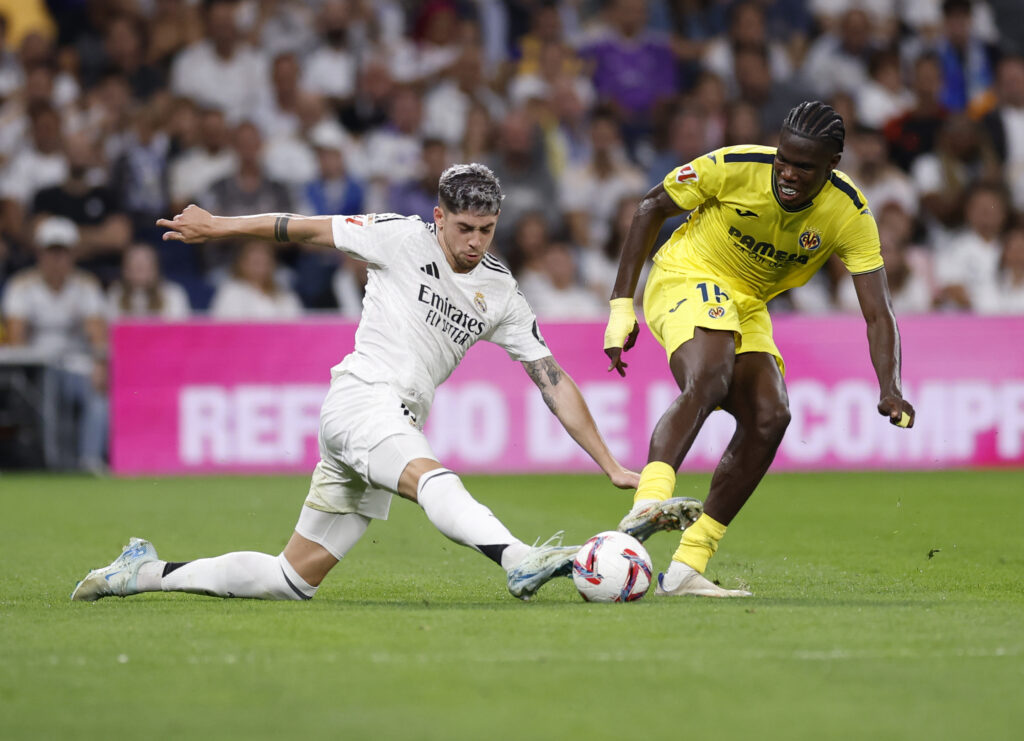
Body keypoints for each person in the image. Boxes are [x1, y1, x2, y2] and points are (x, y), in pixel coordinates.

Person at [71, 163, 639, 603]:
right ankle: (517, 558)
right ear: (439, 218)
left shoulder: (501, 293)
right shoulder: (399, 237)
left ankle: (143, 572)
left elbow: (552, 380)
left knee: (291, 578)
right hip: (362, 399)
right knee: (431, 477)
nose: (474, 242)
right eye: (464, 228)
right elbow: (299, 228)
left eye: (486, 231)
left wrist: (610, 464)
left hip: (392, 421)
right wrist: (220, 226)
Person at [603, 101, 916, 598]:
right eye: (783, 159)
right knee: (711, 376)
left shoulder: (849, 212)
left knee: (771, 416)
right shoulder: (734, 166)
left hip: (748, 303)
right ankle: (649, 502)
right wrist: (622, 305)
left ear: (832, 165)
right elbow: (650, 207)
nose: (787, 173)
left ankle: (688, 565)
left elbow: (879, 312)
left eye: (804, 167)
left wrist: (890, 387)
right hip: (687, 273)